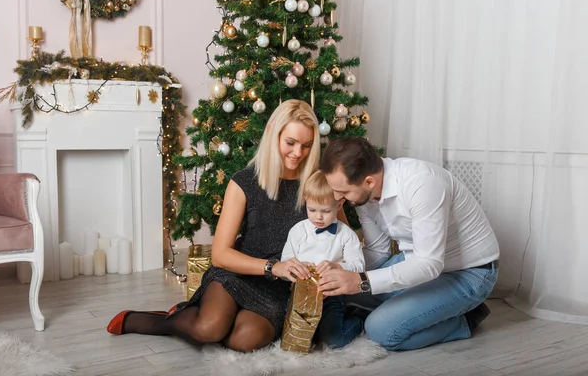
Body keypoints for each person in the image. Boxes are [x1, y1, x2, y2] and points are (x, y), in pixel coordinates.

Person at [106, 99, 321, 352]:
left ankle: (202, 314)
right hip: (238, 272)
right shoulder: (245, 181)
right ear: (274, 132)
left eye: (307, 146)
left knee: (244, 340)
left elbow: (341, 235)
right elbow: (220, 255)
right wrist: (274, 267)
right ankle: (162, 320)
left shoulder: (317, 185)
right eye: (291, 143)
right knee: (209, 328)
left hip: (280, 287)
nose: (298, 153)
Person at [317, 136, 500, 351]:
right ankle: (413, 310)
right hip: (415, 262)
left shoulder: (422, 184)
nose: (337, 198)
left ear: (369, 181)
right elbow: (378, 251)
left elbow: (429, 264)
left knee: (380, 330)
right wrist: (345, 269)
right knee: (342, 296)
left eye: (344, 191)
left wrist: (360, 282)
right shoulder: (363, 196)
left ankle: (464, 318)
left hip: (469, 273)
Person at [280, 170, 365, 348]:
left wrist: (338, 266)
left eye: (326, 211)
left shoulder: (346, 235)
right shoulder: (297, 231)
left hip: (332, 296)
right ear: (305, 201)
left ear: (340, 204)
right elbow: (286, 262)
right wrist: (296, 267)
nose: (318, 217)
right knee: (295, 337)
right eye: (312, 210)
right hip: (299, 295)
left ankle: (360, 316)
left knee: (334, 340)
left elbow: (359, 266)